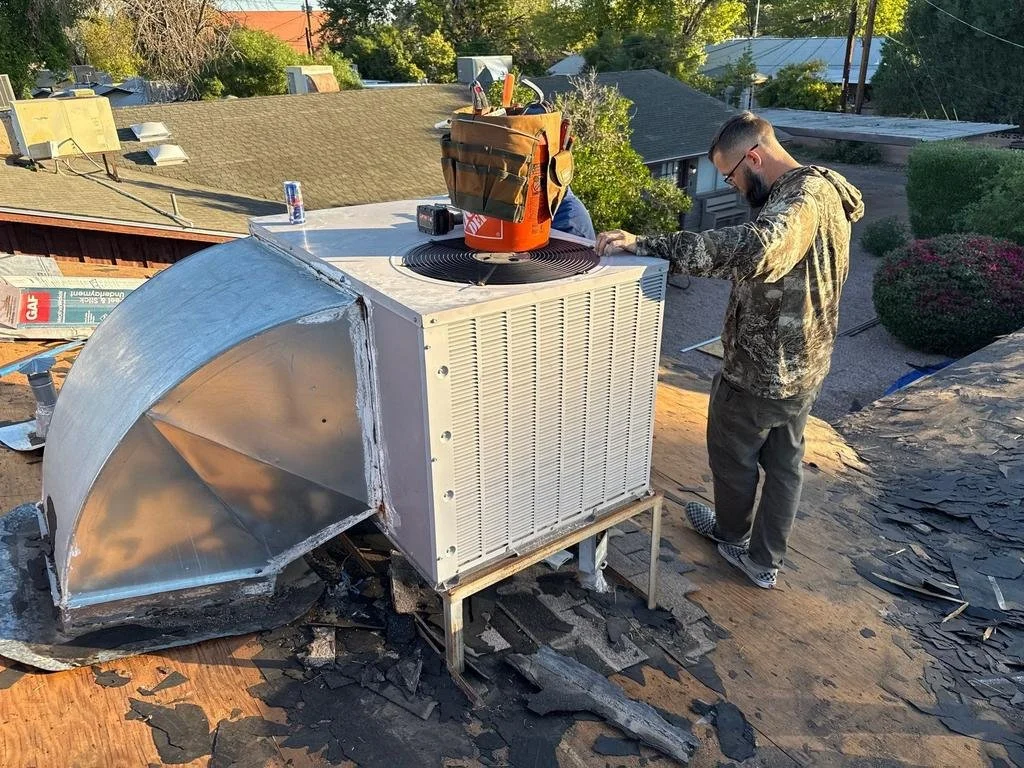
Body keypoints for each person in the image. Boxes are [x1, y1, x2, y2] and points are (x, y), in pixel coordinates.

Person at [595, 111, 864, 589]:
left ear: (754, 157)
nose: (735, 187)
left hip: (760, 373)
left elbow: (758, 249)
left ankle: (732, 536)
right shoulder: (826, 187)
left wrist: (648, 245)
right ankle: (765, 563)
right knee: (784, 466)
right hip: (805, 365)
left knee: (733, 458)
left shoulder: (799, 202)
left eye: (732, 175)